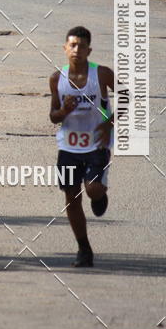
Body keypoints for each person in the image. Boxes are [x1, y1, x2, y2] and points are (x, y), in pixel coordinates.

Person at [49, 26, 114, 268]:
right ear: (65, 48)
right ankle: (84, 249)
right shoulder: (57, 79)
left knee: (93, 189)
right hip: (68, 147)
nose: (77, 50)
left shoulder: (102, 74)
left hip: (97, 144)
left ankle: (100, 195)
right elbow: (53, 116)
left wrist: (110, 122)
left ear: (89, 50)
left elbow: (130, 95)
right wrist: (63, 111)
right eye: (72, 45)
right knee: (71, 198)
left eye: (82, 46)